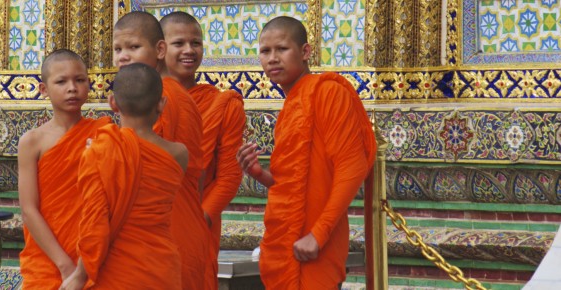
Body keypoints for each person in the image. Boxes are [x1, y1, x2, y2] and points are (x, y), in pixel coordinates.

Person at [236, 16, 377, 290]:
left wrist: (319, 233)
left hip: (316, 243)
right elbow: (294, 187)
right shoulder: (292, 105)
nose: (272, 58)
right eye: (265, 52)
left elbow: (353, 168)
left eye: (282, 49)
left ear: (305, 52)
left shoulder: (327, 93)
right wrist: (259, 174)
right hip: (287, 241)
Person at [59, 63, 186, 290]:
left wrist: (79, 276)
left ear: (113, 103)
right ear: (162, 104)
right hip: (162, 268)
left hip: (116, 272)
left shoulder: (101, 150)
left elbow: (94, 223)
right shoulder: (179, 154)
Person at [112, 11, 215, 290]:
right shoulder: (165, 94)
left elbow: (143, 171)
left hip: (166, 232)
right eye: (118, 49)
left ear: (159, 50)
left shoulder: (162, 97)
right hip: (177, 227)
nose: (123, 56)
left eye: (133, 47)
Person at [18, 49, 110, 289]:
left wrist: (83, 264)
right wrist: (65, 265)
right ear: (44, 89)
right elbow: (29, 210)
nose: (72, 88)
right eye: (61, 81)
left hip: (93, 256)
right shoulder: (32, 141)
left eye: (80, 80)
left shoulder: (103, 133)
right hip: (47, 259)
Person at [160, 11, 246, 262]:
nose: (189, 50)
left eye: (195, 43)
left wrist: (199, 219)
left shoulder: (223, 104)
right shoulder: (145, 99)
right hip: (150, 222)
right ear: (160, 48)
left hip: (200, 220)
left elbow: (229, 176)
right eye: (179, 43)